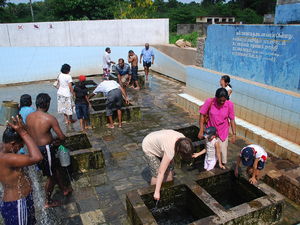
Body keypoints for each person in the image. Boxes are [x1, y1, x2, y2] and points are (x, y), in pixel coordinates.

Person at [26, 93, 72, 208]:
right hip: (46, 149)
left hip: (34, 148)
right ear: (47, 104)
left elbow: (33, 133)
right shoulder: (49, 118)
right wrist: (58, 140)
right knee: (50, 177)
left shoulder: (29, 117)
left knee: (54, 169)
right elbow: (61, 136)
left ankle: (64, 188)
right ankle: (47, 201)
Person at [0, 116, 43, 225]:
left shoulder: (4, 150)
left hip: (19, 202)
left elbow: (32, 146)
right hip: (17, 204)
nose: (21, 149)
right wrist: (23, 133)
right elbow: (37, 157)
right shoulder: (7, 158)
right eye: (20, 146)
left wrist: (24, 130)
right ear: (13, 144)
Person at [142, 130, 194, 200]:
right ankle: (153, 193)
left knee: (170, 170)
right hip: (149, 146)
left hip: (162, 143)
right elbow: (161, 172)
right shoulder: (170, 149)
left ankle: (168, 191)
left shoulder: (185, 141)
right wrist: (157, 192)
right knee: (157, 173)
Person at [198, 88, 236, 165]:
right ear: (216, 97)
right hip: (210, 131)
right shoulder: (210, 101)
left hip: (223, 131)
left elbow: (232, 120)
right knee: (210, 149)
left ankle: (221, 164)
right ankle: (211, 163)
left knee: (222, 151)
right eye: (220, 100)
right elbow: (202, 115)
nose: (222, 102)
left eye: (224, 100)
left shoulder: (229, 104)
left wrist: (234, 134)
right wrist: (201, 130)